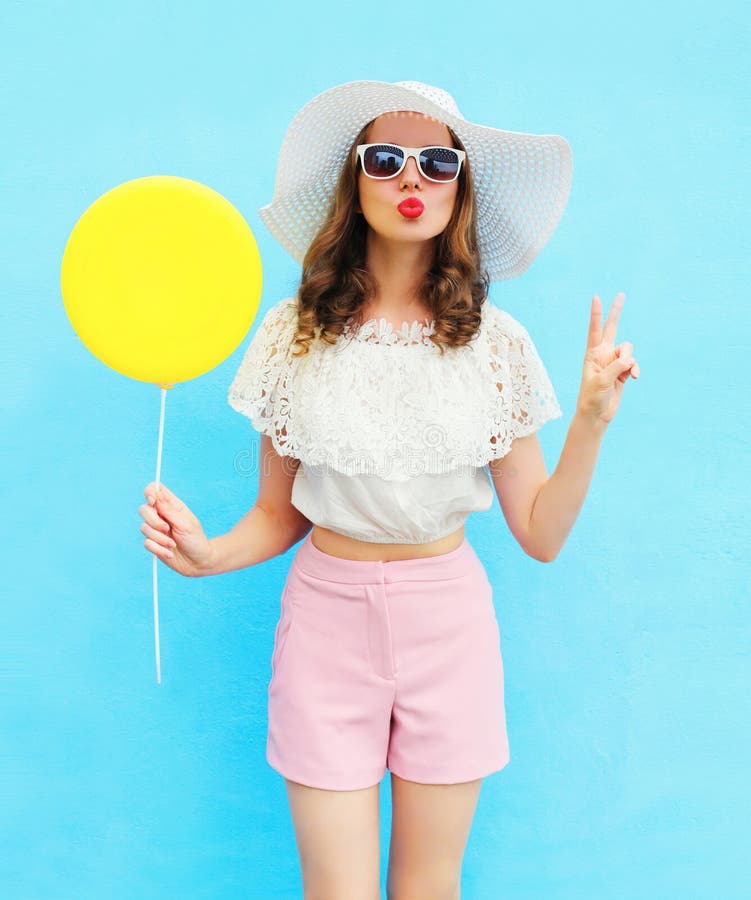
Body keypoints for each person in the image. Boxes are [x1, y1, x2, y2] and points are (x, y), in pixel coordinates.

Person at [138, 80, 639, 900]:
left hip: (449, 624)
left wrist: (590, 418)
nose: (412, 179)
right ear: (355, 180)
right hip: (325, 625)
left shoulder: (494, 345)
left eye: (437, 162)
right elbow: (275, 515)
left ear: (460, 187)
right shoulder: (291, 333)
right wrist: (206, 555)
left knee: (427, 891)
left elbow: (540, 534)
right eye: (386, 160)